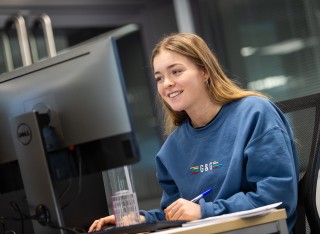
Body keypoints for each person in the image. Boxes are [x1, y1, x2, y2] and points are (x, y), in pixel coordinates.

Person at [88, 33, 299, 233]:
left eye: (176, 71)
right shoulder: (171, 149)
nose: (167, 83)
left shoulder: (255, 113)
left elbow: (277, 197)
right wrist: (142, 220)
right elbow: (176, 216)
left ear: (205, 71)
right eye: (159, 77)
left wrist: (204, 211)